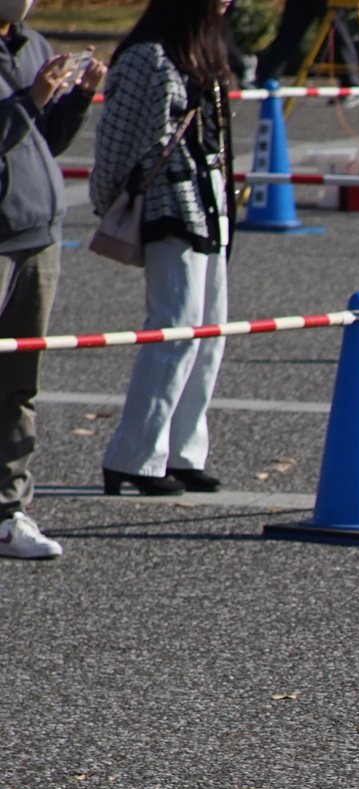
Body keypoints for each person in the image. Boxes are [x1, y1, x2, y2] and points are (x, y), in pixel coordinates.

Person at [91, 0, 235, 498]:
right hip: (167, 202)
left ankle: (182, 450)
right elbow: (116, 142)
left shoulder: (202, 48)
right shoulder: (148, 55)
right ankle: (135, 455)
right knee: (174, 328)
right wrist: (108, 203)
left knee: (210, 331)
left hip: (208, 201)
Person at [0, 1, 103, 559]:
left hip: (39, 232)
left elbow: (43, 140)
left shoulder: (32, 46)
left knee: (20, 383)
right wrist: (30, 100)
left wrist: (78, 96)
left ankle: (8, 510)